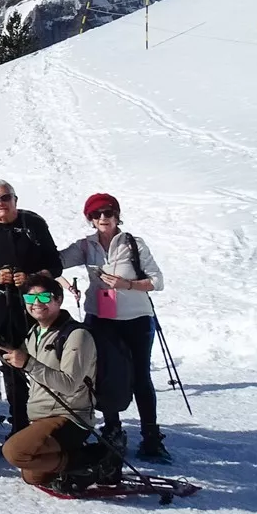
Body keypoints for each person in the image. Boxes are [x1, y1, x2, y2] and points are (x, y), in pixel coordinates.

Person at [59, 193, 170, 463]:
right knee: (105, 375)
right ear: (90, 219)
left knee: (140, 376)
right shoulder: (86, 246)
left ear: (117, 215)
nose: (102, 218)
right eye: (96, 214)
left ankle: (151, 436)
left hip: (136, 318)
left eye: (108, 212)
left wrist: (127, 285)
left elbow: (157, 281)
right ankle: (113, 429)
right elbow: (56, 261)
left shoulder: (134, 244)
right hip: (101, 318)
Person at [0, 274, 115, 490]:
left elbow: (69, 384)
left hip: (70, 416)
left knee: (15, 452)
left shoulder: (76, 335)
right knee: (33, 476)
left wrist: (28, 363)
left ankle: (97, 459)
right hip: (41, 416)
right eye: (30, 298)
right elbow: (23, 363)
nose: (36, 303)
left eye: (44, 297)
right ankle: (75, 462)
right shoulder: (35, 332)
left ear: (58, 299)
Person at [0, 179, 61, 433]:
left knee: (44, 361)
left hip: (37, 306)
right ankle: (19, 425)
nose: (0, 203)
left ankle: (49, 421)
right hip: (0, 307)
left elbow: (55, 265)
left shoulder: (33, 224)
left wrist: (31, 278)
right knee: (10, 366)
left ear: (15, 199)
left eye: (5, 197)